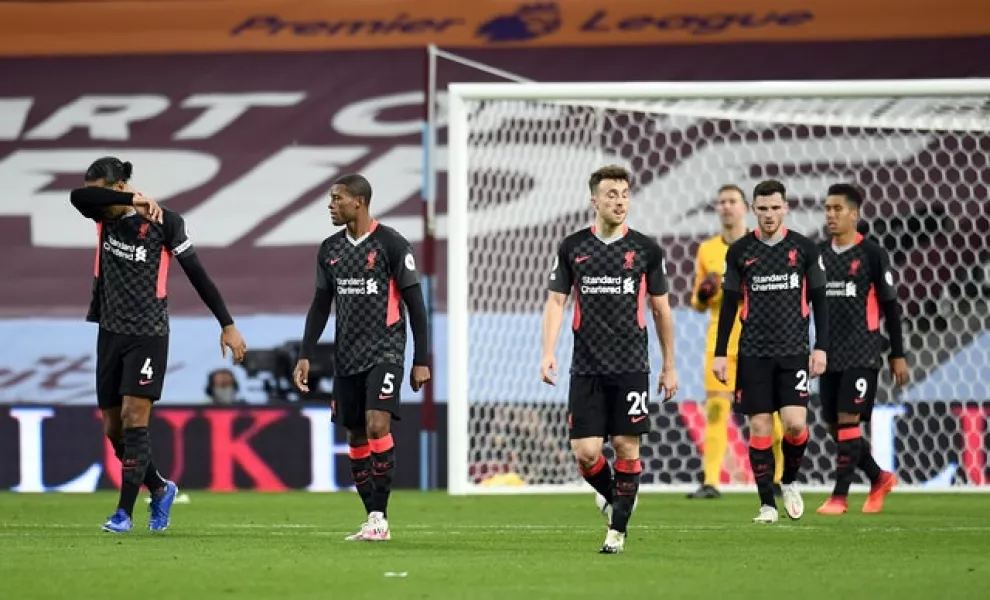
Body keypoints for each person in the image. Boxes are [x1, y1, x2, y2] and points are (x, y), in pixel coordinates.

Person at [69, 156, 246, 533]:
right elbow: (77, 197)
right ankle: (160, 488)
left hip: (148, 334)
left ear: (117, 186)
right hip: (110, 333)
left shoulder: (166, 223)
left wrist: (227, 324)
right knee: (114, 431)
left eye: (101, 189)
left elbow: (197, 274)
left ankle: (123, 513)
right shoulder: (104, 215)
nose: (94, 195)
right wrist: (133, 200)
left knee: (135, 418)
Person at [541, 164, 678, 554]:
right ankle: (620, 498)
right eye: (611, 194)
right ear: (594, 201)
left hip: (632, 365)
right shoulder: (573, 247)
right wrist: (548, 352)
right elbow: (556, 301)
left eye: (624, 194)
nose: (619, 201)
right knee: (585, 453)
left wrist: (669, 364)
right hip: (586, 367)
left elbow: (661, 311)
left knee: (625, 446)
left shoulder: (646, 250)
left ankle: (616, 532)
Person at [293, 173, 430, 542]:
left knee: (376, 426)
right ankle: (371, 516)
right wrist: (305, 354)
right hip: (347, 355)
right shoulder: (330, 250)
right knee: (354, 434)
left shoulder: (392, 245)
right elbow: (320, 305)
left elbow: (417, 305)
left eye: (337, 198)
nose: (330, 205)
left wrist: (421, 359)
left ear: (359, 201)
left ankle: (380, 517)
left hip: (386, 350)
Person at [713, 179, 829, 524]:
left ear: (785, 208)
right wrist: (721, 352)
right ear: (753, 210)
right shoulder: (739, 253)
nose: (768, 214)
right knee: (760, 426)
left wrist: (821, 346)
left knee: (795, 425)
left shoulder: (805, 249)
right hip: (753, 353)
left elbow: (820, 301)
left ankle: (790, 480)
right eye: (762, 208)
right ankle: (766, 504)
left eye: (774, 208)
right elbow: (729, 306)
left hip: (794, 351)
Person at [687, 184, 784, 500]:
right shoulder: (706, 250)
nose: (727, 207)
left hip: (759, 339)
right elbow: (698, 303)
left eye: (733, 201)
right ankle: (711, 481)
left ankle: (780, 479)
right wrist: (704, 293)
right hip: (721, 340)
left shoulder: (762, 247)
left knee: (770, 415)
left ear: (746, 208)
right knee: (716, 409)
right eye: (722, 202)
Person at [816, 183, 909, 515]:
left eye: (837, 209)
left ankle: (839, 496)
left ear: (854, 213)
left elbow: (891, 307)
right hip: (829, 354)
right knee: (833, 426)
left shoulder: (872, 254)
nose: (830, 214)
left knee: (847, 420)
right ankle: (878, 476)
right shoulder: (819, 255)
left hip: (864, 350)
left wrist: (898, 354)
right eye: (827, 208)